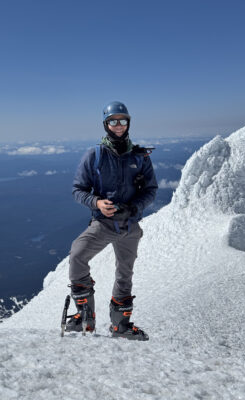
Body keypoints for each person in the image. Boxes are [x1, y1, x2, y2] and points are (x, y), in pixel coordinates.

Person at [66, 101, 158, 341]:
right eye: (113, 121)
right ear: (106, 124)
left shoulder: (140, 157)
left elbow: (150, 189)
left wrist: (134, 206)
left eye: (123, 121)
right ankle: (86, 316)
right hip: (103, 224)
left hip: (130, 225)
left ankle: (121, 326)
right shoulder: (95, 155)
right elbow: (78, 189)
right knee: (77, 256)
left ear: (128, 123)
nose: (119, 125)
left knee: (125, 274)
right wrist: (96, 203)